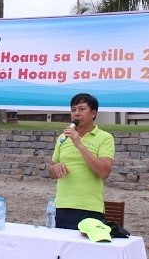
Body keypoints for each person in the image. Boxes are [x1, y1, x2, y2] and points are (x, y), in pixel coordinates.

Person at [48, 93, 115, 230]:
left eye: (82, 109)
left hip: (90, 208)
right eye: (73, 110)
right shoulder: (63, 137)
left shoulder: (105, 138)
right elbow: (51, 170)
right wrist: (56, 168)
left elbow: (104, 172)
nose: (76, 113)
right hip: (62, 206)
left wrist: (79, 144)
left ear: (94, 113)